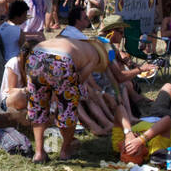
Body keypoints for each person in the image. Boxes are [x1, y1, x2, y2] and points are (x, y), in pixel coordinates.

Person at [25, 25, 117, 162]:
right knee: (67, 110)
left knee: (38, 107)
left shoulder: (75, 43)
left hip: (35, 56)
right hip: (61, 61)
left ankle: (39, 153)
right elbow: (79, 80)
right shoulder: (94, 55)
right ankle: (65, 150)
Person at [112, 80, 171, 164]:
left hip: (153, 117)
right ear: (144, 152)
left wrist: (128, 133)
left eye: (125, 150)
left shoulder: (120, 144)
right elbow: (167, 120)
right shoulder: (154, 149)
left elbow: (119, 109)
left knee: (167, 86)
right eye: (134, 151)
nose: (129, 146)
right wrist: (141, 140)